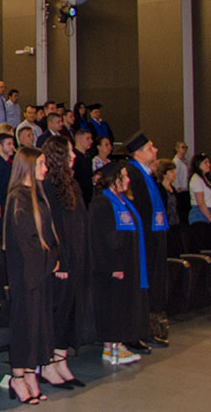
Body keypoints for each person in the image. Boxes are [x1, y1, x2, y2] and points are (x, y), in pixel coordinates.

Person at [3, 147, 59, 404]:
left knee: (39, 324)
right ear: (28, 166)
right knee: (25, 323)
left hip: (41, 271)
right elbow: (28, 242)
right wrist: (48, 261)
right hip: (27, 273)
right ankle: (18, 376)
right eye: (41, 164)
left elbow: (48, 234)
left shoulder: (37, 195)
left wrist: (53, 257)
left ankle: (30, 372)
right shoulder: (18, 198)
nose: (45, 169)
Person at [39, 137, 88, 390]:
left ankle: (61, 360)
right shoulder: (48, 185)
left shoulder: (72, 184)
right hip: (61, 261)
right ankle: (48, 364)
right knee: (56, 313)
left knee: (69, 312)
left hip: (76, 256)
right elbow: (50, 228)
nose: (74, 156)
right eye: (69, 152)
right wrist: (59, 260)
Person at [89, 161, 148, 366]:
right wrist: (112, 266)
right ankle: (110, 347)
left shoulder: (123, 201)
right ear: (113, 179)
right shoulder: (102, 203)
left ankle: (119, 343)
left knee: (122, 305)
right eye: (123, 176)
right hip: (111, 267)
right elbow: (100, 238)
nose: (128, 180)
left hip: (126, 263)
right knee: (111, 306)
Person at [124, 131, 169, 349]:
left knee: (153, 283)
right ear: (139, 153)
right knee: (142, 284)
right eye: (151, 147)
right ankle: (138, 332)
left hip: (153, 237)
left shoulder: (147, 175)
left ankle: (150, 329)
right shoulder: (133, 174)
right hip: (142, 240)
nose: (156, 150)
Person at [0, 133, 16, 209]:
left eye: (12, 144)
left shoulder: (10, 163)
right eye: (9, 144)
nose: (12, 147)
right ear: (0, 146)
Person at [72, 129, 95, 205]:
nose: (91, 141)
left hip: (88, 194)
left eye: (91, 138)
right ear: (79, 139)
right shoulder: (73, 157)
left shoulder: (88, 156)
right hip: (78, 194)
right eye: (87, 139)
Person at [188, 152, 211, 225]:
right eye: (205, 162)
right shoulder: (196, 179)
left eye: (209, 162)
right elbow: (201, 202)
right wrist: (210, 218)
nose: (209, 164)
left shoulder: (206, 178)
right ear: (198, 164)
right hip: (200, 214)